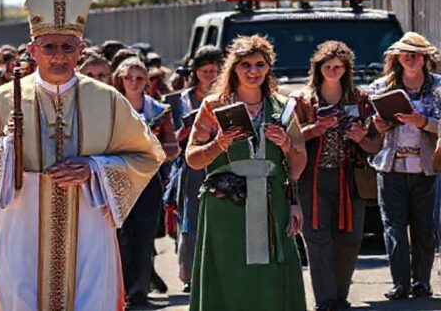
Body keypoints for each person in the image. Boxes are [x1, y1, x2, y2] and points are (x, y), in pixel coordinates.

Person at [0, 0, 165, 310]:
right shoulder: (4, 98)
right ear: (32, 50)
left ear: (81, 49)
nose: (58, 55)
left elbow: (147, 155)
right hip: (22, 218)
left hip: (88, 218)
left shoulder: (107, 99)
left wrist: (95, 169)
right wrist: (6, 149)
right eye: (49, 46)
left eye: (67, 46)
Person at [185, 35, 307, 310]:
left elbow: (297, 166)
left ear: (268, 68)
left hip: (271, 202)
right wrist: (218, 145)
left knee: (271, 274)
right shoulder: (214, 106)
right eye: (246, 65)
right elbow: (192, 158)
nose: (253, 72)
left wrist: (286, 144)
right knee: (230, 273)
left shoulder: (282, 107)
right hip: (226, 205)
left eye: (260, 65)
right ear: (234, 68)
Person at [291, 41, 382, 310]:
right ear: (318, 68)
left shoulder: (361, 100)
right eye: (328, 66)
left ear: (347, 69)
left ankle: (340, 296)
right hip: (313, 177)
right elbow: (289, 140)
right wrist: (313, 130)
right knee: (317, 239)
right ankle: (325, 300)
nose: (333, 70)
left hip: (350, 177)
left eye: (338, 67)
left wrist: (362, 137)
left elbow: (375, 145)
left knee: (351, 238)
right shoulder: (302, 100)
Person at [370, 32, 441, 300]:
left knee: (424, 226)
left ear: (425, 58)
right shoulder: (380, 87)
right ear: (396, 57)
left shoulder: (438, 87)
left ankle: (421, 281)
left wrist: (420, 121)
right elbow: (373, 130)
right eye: (405, 53)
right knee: (393, 226)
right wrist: (378, 126)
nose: (411, 58)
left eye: (416, 53)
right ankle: (400, 283)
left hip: (426, 166)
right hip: (390, 166)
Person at [112, 57, 180, 305]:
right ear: (120, 79)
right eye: (129, 77)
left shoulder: (158, 111)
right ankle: (122, 291)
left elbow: (172, 147)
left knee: (144, 236)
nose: (133, 82)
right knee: (122, 235)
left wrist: (153, 149)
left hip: (149, 179)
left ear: (147, 82)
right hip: (117, 177)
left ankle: (140, 290)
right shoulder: (112, 107)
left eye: (139, 78)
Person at [167, 45, 223, 293]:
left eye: (214, 71)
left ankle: (219, 270)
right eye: (205, 71)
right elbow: (170, 138)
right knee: (191, 218)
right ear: (196, 72)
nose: (210, 76)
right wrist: (188, 132)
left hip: (222, 163)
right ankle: (190, 273)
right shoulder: (179, 100)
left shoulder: (229, 96)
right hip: (192, 167)